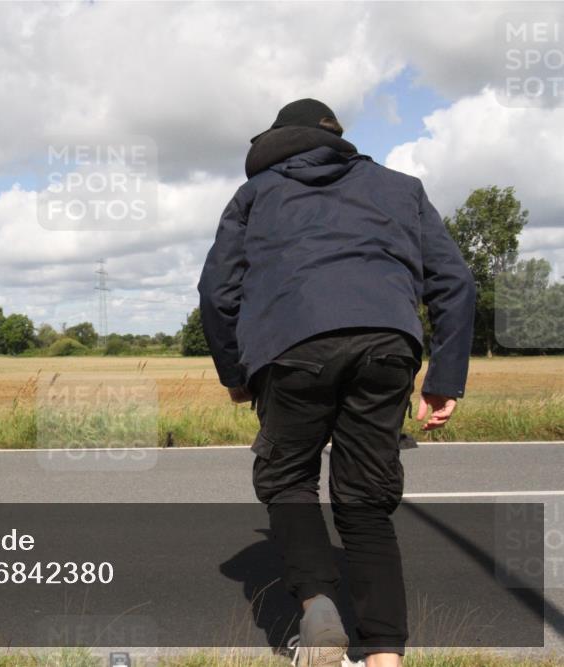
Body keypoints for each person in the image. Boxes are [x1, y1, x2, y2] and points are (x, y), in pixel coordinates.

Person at [197, 99, 476, 667]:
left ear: (277, 140)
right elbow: (455, 282)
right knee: (366, 501)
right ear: (335, 136)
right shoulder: (402, 188)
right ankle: (385, 659)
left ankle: (319, 607)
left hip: (291, 348)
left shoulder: (255, 194)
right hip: (388, 344)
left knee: (288, 479)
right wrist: (444, 378)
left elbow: (216, 292)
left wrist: (236, 376)